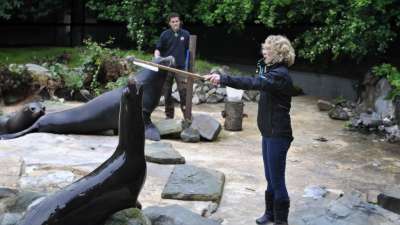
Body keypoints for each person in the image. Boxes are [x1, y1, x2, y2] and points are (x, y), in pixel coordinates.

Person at [205, 35, 295, 225]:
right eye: (264, 49)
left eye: (268, 50)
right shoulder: (271, 70)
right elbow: (258, 75)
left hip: (278, 134)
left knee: (277, 181)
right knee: (270, 178)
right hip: (268, 132)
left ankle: (281, 221)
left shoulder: (280, 75)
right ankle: (270, 214)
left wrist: (223, 79)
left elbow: (253, 83)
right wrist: (219, 79)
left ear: (278, 53)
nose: (264, 52)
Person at [154, 12, 190, 119]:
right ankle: (169, 116)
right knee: (167, 92)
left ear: (180, 22)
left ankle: (187, 116)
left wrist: (190, 67)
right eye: (173, 22)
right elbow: (158, 49)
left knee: (184, 92)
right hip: (167, 68)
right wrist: (157, 58)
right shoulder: (164, 34)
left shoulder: (186, 34)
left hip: (181, 68)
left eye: (177, 21)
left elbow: (190, 51)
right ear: (169, 23)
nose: (175, 23)